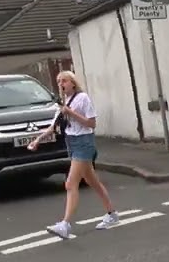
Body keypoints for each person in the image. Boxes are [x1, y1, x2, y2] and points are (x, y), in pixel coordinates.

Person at [30, 71, 118, 239]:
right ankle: (112, 214)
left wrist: (71, 113)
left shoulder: (82, 98)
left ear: (73, 83)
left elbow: (91, 123)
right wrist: (37, 140)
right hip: (72, 143)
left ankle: (65, 224)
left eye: (64, 81)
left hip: (84, 142)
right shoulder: (64, 103)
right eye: (58, 81)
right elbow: (53, 127)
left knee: (71, 183)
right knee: (93, 182)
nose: (61, 84)